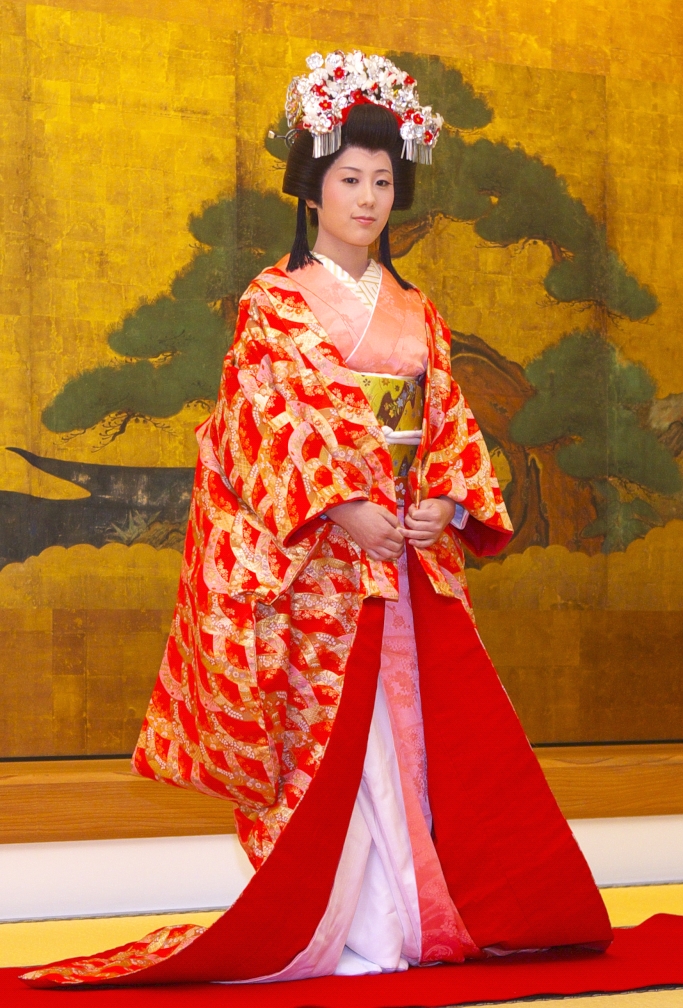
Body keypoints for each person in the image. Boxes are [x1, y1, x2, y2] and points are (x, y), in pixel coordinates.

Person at [23, 50, 611, 991]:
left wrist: (443, 498)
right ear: (311, 189)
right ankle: (353, 925)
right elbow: (260, 422)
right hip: (323, 567)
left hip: (405, 553)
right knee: (340, 748)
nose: (368, 198)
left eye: (382, 181)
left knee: (416, 738)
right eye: (349, 179)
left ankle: (422, 917)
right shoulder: (273, 302)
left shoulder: (416, 309)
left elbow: (448, 420)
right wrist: (340, 504)